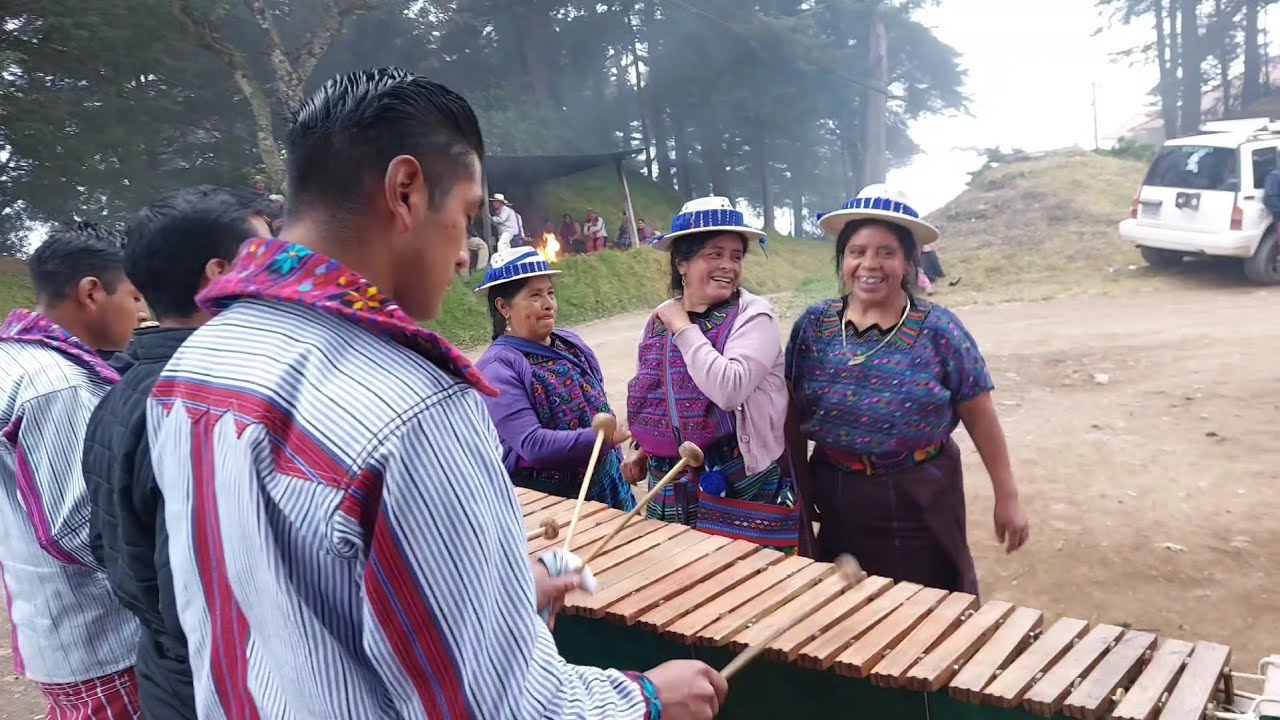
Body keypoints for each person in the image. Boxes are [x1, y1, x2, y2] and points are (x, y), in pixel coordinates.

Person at [146, 67, 725, 719]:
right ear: (406, 191)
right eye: (467, 216)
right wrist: (645, 697)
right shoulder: (417, 407)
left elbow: (280, 603)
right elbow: (499, 708)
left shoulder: (198, 365)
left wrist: (497, 596)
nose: (463, 256)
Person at [785, 184, 1030, 595]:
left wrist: (1007, 497)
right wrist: (802, 487)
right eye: (857, 251)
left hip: (921, 492)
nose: (870, 264)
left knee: (930, 606)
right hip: (838, 490)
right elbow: (790, 412)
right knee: (844, 609)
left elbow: (981, 416)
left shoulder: (939, 329)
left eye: (887, 252)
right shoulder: (813, 326)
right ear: (843, 259)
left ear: (909, 261)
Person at [82, 186, 270, 720]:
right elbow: (208, 596)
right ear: (219, 275)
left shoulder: (122, 390)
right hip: (226, 686)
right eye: (269, 258)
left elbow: (108, 542)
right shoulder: (208, 408)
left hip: (165, 672)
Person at [0, 222, 144, 719]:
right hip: (99, 636)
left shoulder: (14, 358)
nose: (142, 311)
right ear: (91, 293)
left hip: (55, 620)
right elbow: (78, 528)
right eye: (134, 296)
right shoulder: (58, 384)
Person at [623, 197, 800, 553]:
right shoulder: (658, 323)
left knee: (745, 589)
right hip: (668, 483)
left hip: (737, 481)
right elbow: (655, 389)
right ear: (682, 263)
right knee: (673, 590)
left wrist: (683, 327)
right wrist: (645, 448)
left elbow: (729, 389)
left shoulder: (754, 317)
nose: (728, 266)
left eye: (736, 256)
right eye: (714, 254)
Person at [475, 248, 636, 511]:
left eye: (550, 293)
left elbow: (601, 410)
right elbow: (532, 444)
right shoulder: (497, 369)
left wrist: (617, 459)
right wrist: (601, 438)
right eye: (535, 295)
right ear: (503, 306)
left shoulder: (572, 344)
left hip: (609, 489)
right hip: (552, 508)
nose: (549, 303)